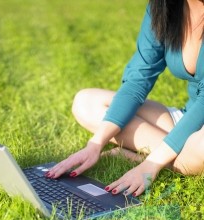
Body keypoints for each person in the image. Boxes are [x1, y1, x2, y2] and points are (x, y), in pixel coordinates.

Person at [46, 0, 204, 196]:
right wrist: (95, 144)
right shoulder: (164, 6)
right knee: (85, 102)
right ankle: (181, 155)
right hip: (187, 119)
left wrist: (150, 164)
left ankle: (150, 156)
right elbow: (139, 78)